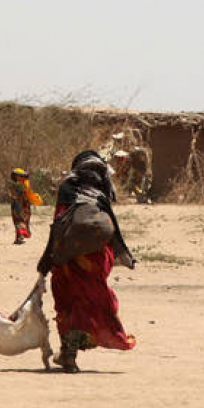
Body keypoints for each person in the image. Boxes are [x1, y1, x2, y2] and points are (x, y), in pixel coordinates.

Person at [36, 150, 137, 373]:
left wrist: (46, 261)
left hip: (68, 261)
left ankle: (69, 355)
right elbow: (112, 231)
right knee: (91, 302)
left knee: (67, 303)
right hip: (95, 262)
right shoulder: (102, 191)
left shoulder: (68, 188)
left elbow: (59, 225)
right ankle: (76, 349)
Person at [7, 168, 41, 245]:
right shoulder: (24, 184)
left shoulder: (16, 185)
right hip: (23, 205)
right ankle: (21, 235)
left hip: (18, 205)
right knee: (22, 220)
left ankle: (19, 237)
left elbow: (14, 196)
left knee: (18, 221)